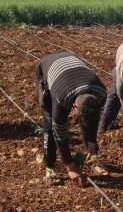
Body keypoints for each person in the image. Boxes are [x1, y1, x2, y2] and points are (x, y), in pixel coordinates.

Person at [36, 51, 107, 186]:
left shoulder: (101, 93)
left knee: (88, 119)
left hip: (70, 62)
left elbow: (92, 119)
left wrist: (92, 143)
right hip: (48, 67)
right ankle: (49, 166)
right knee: (50, 121)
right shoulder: (62, 98)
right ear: (74, 106)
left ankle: (91, 157)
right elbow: (60, 134)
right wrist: (70, 166)